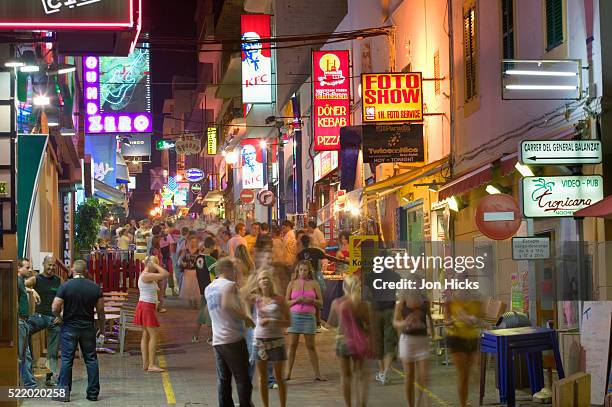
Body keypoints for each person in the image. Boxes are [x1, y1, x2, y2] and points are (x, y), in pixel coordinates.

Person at [51, 260, 105, 402]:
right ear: (85, 271)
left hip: (69, 327)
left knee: (67, 360)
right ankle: (93, 393)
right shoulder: (94, 288)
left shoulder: (65, 286)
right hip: (88, 328)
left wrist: (59, 317)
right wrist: (102, 329)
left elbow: (55, 307)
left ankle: (63, 393)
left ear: (72, 270)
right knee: (91, 359)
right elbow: (100, 311)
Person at [205, 257, 255, 407]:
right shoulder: (229, 285)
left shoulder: (209, 288)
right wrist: (245, 317)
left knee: (224, 379)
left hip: (218, 339)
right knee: (242, 378)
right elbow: (227, 305)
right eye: (233, 270)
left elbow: (211, 310)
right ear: (227, 270)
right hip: (232, 338)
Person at [328, 275, 373, 407]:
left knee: (345, 377)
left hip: (343, 342)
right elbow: (368, 325)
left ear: (344, 287)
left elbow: (331, 324)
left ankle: (349, 405)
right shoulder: (363, 304)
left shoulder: (336, 303)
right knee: (360, 376)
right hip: (359, 343)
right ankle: (361, 403)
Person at [252, 268, 290, 407]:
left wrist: (272, 321)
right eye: (262, 278)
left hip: (276, 341)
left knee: (279, 377)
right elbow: (242, 295)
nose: (265, 280)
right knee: (262, 378)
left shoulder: (279, 299)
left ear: (271, 281)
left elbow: (288, 322)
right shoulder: (256, 299)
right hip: (259, 341)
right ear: (258, 282)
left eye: (267, 278)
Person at [284, 261, 326, 381]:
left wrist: (311, 301)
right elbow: (286, 303)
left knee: (311, 346)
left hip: (309, 317)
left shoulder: (314, 283)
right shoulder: (291, 283)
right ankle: (287, 373)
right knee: (292, 345)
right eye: (301, 270)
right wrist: (296, 301)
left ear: (309, 271)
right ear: (297, 271)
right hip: (294, 316)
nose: (303, 272)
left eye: (305, 270)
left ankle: (317, 373)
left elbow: (321, 302)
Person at [394, 287, 434, 407]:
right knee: (409, 377)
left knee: (423, 377)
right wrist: (404, 323)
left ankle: (419, 402)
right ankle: (410, 404)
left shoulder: (424, 302)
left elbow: (429, 318)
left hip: (422, 341)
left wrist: (432, 332)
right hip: (407, 341)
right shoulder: (402, 302)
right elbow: (395, 322)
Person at [363, 257, 401, 386]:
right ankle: (385, 373)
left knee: (378, 342)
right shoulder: (395, 276)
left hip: (375, 311)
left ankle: (381, 371)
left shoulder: (370, 276)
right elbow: (399, 295)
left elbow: (366, 296)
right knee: (389, 341)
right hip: (390, 310)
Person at [444, 289, 483, 407]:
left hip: (472, 338)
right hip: (456, 338)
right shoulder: (450, 300)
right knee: (463, 374)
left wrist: (474, 320)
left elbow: (480, 317)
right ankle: (463, 404)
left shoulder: (476, 298)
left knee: (473, 372)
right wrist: (454, 321)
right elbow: (446, 321)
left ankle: (465, 401)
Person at [27, 255, 62, 387]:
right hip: (39, 317)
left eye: (53, 265)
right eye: (49, 265)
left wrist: (62, 315)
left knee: (52, 353)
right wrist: (31, 290)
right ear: (43, 264)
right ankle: (29, 370)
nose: (51, 267)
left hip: (54, 320)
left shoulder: (59, 280)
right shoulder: (36, 279)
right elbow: (19, 284)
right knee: (24, 332)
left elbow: (65, 298)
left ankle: (50, 378)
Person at [134, 256, 169, 373]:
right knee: (153, 336)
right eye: (155, 265)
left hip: (145, 306)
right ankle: (152, 364)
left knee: (145, 334)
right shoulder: (146, 275)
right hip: (146, 307)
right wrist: (156, 265)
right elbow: (165, 274)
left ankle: (146, 364)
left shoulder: (146, 275)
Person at [18, 258, 38, 389]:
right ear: (18, 268)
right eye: (27, 267)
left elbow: (23, 287)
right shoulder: (16, 280)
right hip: (19, 322)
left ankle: (30, 385)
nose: (30, 270)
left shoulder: (19, 281)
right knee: (22, 355)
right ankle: (27, 385)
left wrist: (31, 290)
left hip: (23, 322)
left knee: (26, 355)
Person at [193, 237, 218, 344]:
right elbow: (218, 274)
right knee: (210, 314)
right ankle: (211, 338)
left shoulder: (198, 258)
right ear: (211, 246)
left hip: (202, 289)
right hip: (211, 289)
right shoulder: (211, 260)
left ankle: (195, 336)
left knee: (201, 314)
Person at [180, 235, 202, 309]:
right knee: (188, 287)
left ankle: (196, 303)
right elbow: (180, 260)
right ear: (189, 242)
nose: (193, 243)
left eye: (195, 242)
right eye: (191, 242)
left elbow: (202, 262)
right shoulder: (185, 251)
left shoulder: (199, 251)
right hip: (187, 271)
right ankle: (190, 303)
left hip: (196, 272)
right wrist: (182, 263)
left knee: (196, 288)